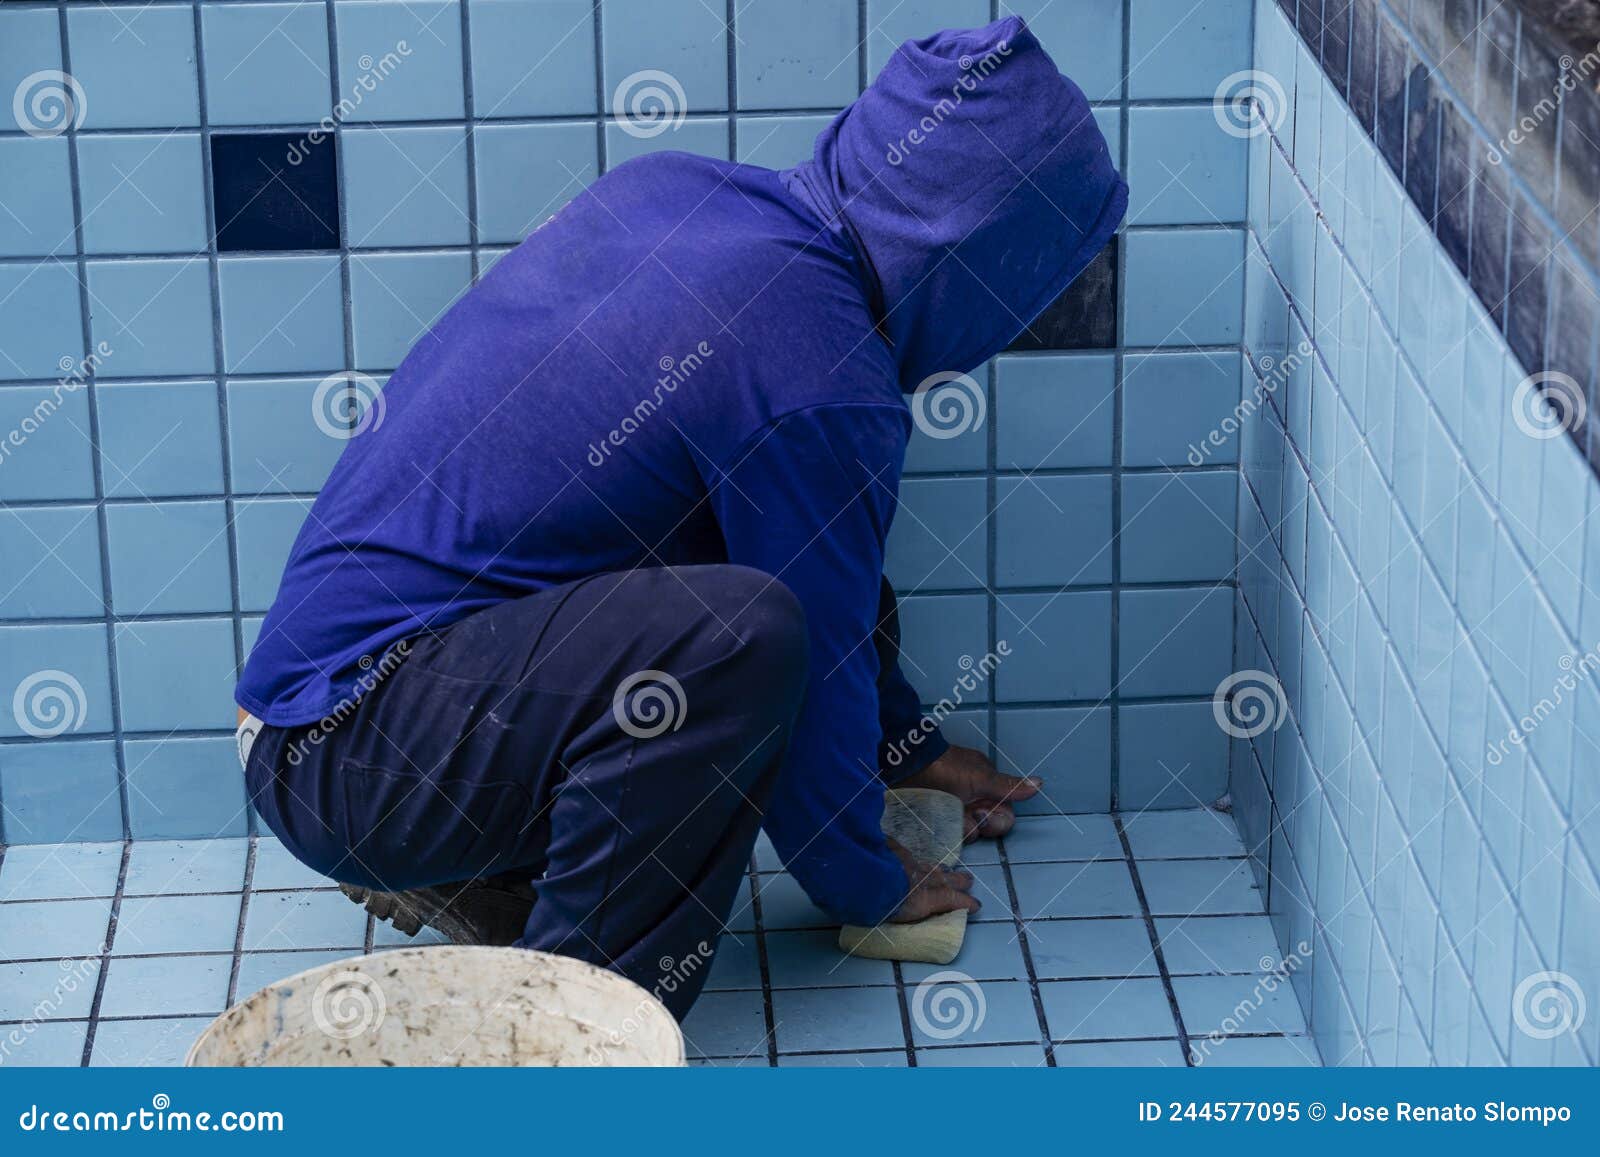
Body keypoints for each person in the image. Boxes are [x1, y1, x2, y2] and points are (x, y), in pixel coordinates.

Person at [235, 15, 1126, 1020]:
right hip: (360, 753)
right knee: (739, 637)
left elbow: (825, 578)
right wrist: (869, 883)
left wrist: (908, 756)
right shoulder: (823, 378)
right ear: (978, 255)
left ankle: (479, 873)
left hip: (330, 710)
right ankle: (577, 1029)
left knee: (804, 552)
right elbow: (806, 642)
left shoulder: (687, 194)